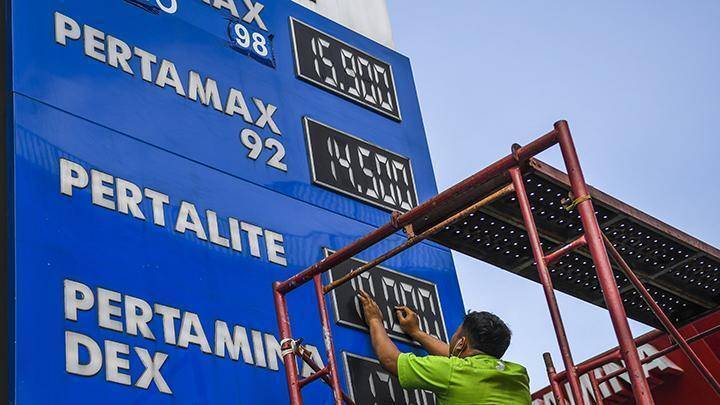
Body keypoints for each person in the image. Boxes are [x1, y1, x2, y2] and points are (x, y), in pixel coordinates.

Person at [358, 290, 531, 404]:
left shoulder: (453, 372)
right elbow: (457, 361)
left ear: (461, 343)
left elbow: (390, 360)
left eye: (456, 334)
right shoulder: (519, 375)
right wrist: (417, 333)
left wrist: (374, 320)